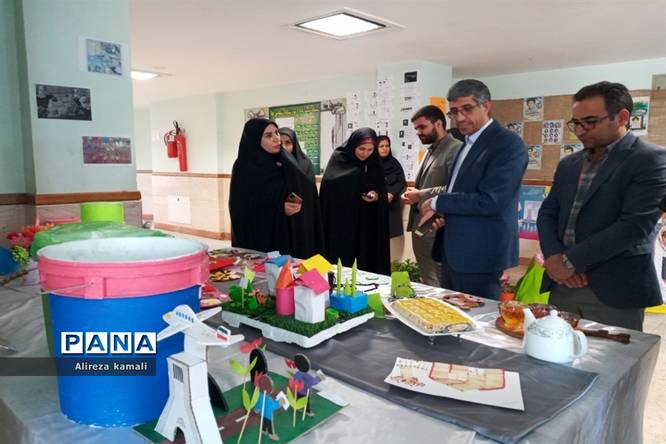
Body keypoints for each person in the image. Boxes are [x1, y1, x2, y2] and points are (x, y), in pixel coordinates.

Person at [537, 81, 666, 331]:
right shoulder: (569, 164)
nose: (580, 131)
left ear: (622, 117)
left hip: (613, 288)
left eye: (590, 122)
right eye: (576, 123)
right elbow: (548, 212)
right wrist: (554, 258)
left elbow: (633, 226)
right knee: (556, 349)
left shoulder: (650, 160)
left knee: (611, 354)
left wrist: (569, 261)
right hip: (563, 283)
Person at [420, 79, 528, 299]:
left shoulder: (507, 144)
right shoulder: (468, 142)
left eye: (467, 109)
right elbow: (463, 189)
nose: (459, 118)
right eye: (454, 112)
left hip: (480, 253)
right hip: (454, 248)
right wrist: (448, 216)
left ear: (486, 106)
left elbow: (491, 201)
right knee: (452, 312)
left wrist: (438, 202)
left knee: (477, 316)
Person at [229, 118, 323, 258]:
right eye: (268, 135)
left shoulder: (286, 160)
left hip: (291, 233)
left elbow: (306, 188)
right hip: (262, 240)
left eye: (276, 132)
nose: (277, 139)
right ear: (255, 139)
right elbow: (241, 210)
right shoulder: (244, 167)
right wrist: (279, 208)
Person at [401, 105, 462, 287]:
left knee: (439, 283)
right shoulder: (431, 150)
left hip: (439, 226)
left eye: (422, 127)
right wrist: (413, 195)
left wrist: (420, 195)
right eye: (416, 128)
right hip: (422, 225)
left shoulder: (455, 149)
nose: (418, 133)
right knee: (429, 279)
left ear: (438, 124)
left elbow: (456, 188)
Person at [319, 128, 390, 274]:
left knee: (366, 260)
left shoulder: (374, 163)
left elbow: (380, 190)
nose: (365, 153)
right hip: (342, 223)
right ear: (353, 145)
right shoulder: (339, 158)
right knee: (342, 261)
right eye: (361, 149)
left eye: (370, 149)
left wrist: (375, 195)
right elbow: (329, 189)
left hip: (366, 221)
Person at [377, 136, 406, 239]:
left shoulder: (394, 163)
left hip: (391, 204)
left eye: (387, 146)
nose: (385, 148)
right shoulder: (370, 163)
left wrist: (391, 193)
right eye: (381, 146)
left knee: (390, 237)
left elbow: (401, 181)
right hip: (375, 205)